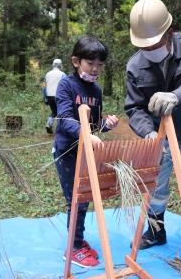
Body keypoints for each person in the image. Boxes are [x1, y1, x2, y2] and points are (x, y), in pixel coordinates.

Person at [124, 0, 181, 258]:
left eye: (155, 44)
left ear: (169, 33)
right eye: (145, 46)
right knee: (154, 183)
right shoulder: (135, 66)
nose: (150, 50)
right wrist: (148, 133)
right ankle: (156, 231)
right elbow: (134, 108)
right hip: (158, 134)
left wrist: (176, 96)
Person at [53, 36, 119, 268]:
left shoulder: (97, 91)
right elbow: (63, 119)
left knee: (85, 199)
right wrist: (85, 133)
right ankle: (73, 249)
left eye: (100, 65)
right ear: (75, 61)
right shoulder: (66, 85)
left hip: (86, 153)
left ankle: (78, 241)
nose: (95, 69)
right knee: (76, 200)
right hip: (67, 152)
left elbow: (95, 127)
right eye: (90, 63)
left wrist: (106, 125)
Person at [44, 58, 66, 134]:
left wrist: (45, 98)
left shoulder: (47, 74)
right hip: (59, 96)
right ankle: (60, 129)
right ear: (60, 65)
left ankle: (49, 124)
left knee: (54, 111)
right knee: (61, 112)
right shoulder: (63, 74)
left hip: (49, 96)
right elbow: (65, 87)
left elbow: (44, 87)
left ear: (53, 65)